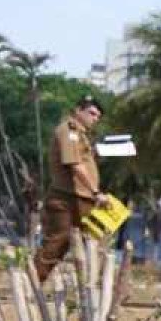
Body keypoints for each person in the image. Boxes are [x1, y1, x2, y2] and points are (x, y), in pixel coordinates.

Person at [35, 95, 109, 282]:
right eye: (91, 113)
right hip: (67, 199)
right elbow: (75, 165)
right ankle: (33, 282)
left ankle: (90, 286)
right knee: (57, 243)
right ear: (78, 110)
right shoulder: (69, 131)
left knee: (92, 242)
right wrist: (95, 192)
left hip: (80, 199)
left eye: (98, 116)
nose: (95, 118)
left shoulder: (80, 135)